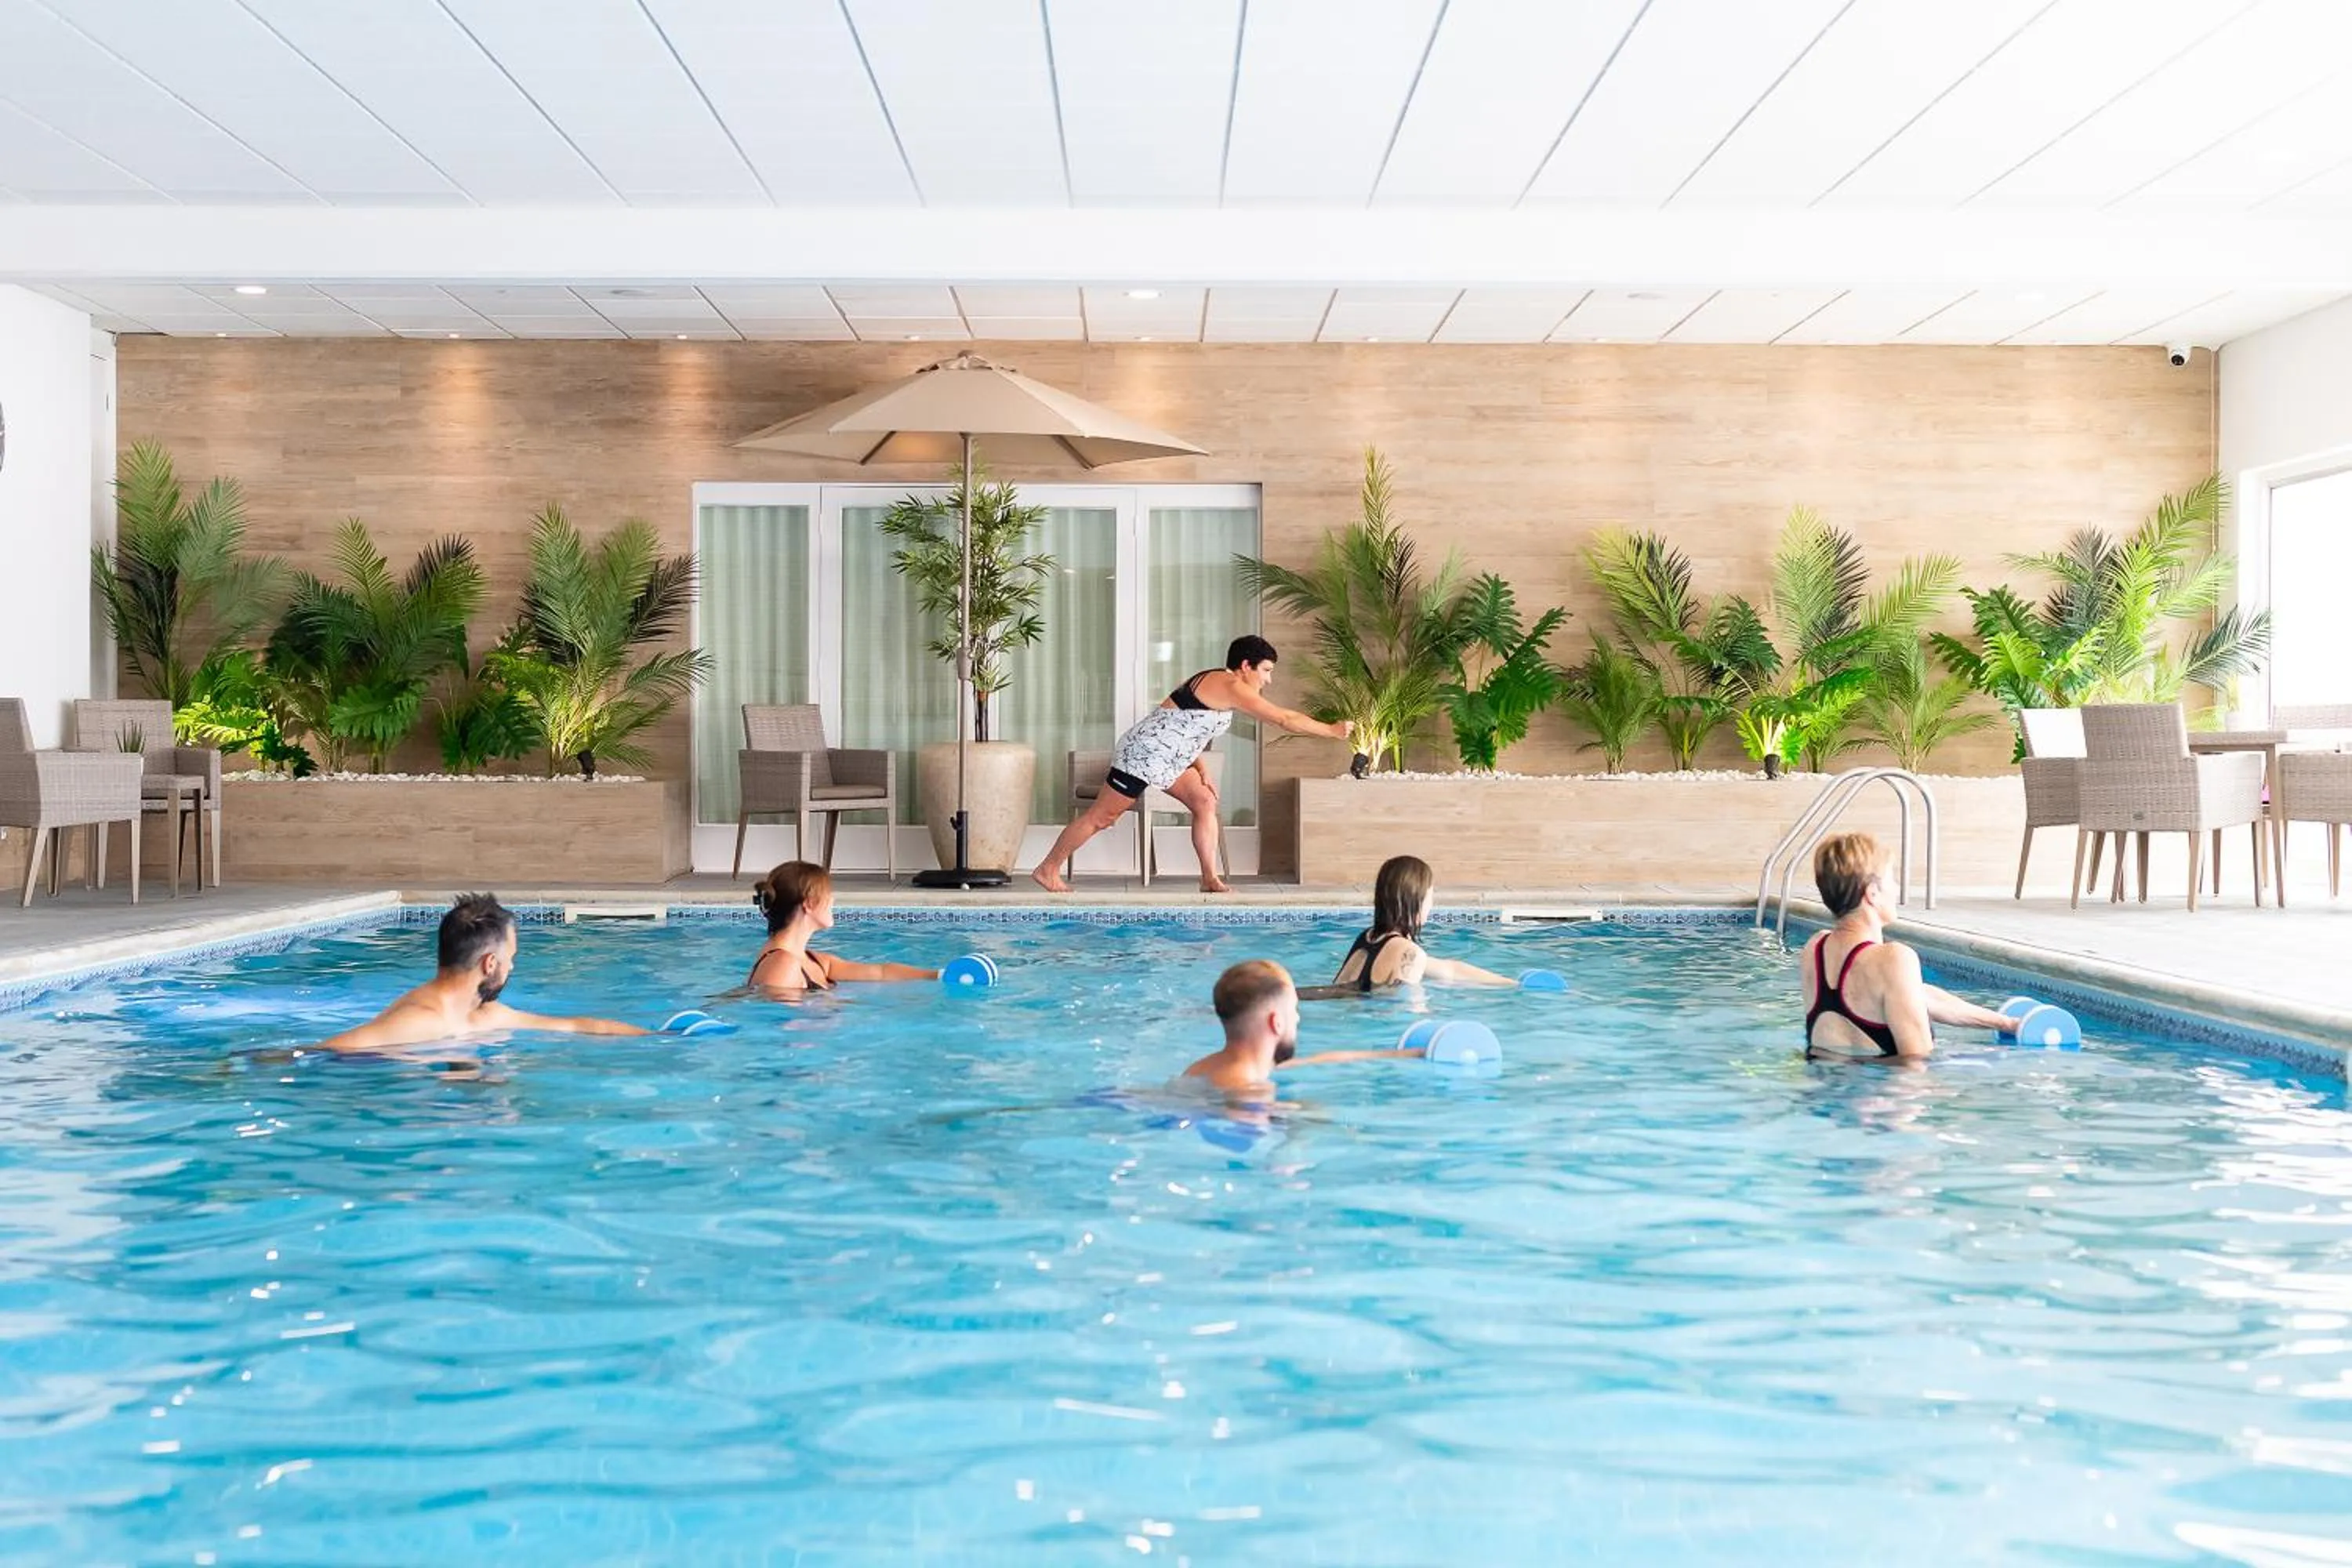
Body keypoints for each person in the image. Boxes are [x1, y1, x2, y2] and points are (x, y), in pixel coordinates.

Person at [1031, 635, 1353, 895]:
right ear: (1246, 666)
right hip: (1144, 753)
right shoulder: (1230, 686)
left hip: (1169, 757)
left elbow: (1183, 727)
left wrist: (1201, 769)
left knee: (1204, 800)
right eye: (1266, 670)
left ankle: (1209, 878)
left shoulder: (1222, 685)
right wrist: (1331, 731)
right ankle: (1048, 869)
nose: (1268, 680)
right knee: (1103, 818)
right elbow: (1284, 718)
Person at [317, 893, 648, 1054]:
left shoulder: (484, 1014)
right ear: (490, 964)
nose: (512, 967)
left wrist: (661, 1039)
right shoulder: (421, 1021)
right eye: (510, 958)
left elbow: (578, 1026)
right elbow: (318, 1055)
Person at [1802, 832, 2014, 1062]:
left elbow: (1917, 995)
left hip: (1822, 1077)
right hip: (1888, 1083)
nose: (1896, 888)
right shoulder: (1894, 959)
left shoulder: (1814, 948)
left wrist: (2007, 1023)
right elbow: (1917, 1062)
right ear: (1872, 894)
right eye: (1891, 879)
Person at [1183, 960, 1425, 1098]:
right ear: (1277, 1023)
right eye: (1294, 1009)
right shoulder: (1249, 1096)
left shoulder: (1206, 1068)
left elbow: (1319, 1061)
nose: (1297, 1018)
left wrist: (1403, 1054)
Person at [1323, 854, 1515, 993]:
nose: (1432, 904)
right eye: (1431, 895)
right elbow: (1406, 1017)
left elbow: (1450, 970)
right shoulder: (1411, 953)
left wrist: (1512, 983)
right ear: (1416, 901)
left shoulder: (1369, 937)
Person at [750, 860, 939, 994]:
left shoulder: (817, 962)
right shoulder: (782, 964)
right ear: (809, 904)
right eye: (827, 894)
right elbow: (773, 1029)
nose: (832, 900)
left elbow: (881, 972)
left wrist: (939, 975)